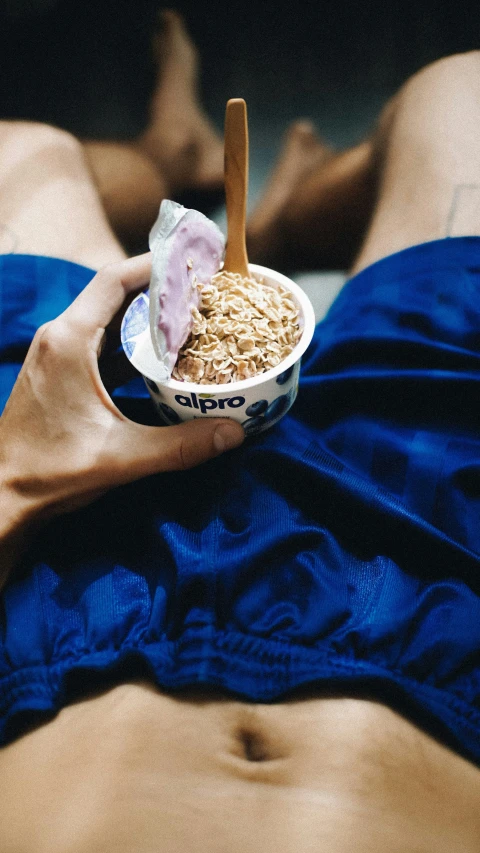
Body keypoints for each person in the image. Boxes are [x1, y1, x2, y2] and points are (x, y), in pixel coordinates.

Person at [0, 12, 480, 848]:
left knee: (18, 149)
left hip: (66, 596)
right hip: (429, 595)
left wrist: (11, 476)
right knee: (463, 92)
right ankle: (245, 193)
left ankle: (206, 180)